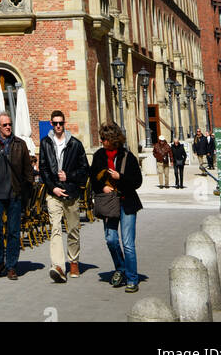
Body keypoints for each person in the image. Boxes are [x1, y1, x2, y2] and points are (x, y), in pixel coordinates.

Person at [0, 111, 34, 281]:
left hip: (14, 195)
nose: (8, 127)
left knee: (13, 231)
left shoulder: (20, 144)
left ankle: (11, 265)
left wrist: (26, 191)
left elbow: (28, 171)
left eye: (10, 124)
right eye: (5, 125)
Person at [90, 122, 143, 292]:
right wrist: (102, 187)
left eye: (105, 138)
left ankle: (132, 279)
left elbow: (137, 181)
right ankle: (120, 268)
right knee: (111, 239)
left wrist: (120, 177)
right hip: (108, 203)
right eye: (101, 138)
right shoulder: (99, 156)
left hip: (127, 202)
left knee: (128, 243)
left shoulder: (128, 156)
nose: (102, 141)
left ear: (113, 139)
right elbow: (92, 179)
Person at [38, 108, 89, 282]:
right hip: (53, 193)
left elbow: (84, 170)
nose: (58, 126)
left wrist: (69, 176)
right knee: (55, 229)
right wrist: (53, 188)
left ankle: (73, 261)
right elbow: (43, 169)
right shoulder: (45, 143)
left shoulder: (75, 144)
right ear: (51, 124)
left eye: (61, 123)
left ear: (64, 124)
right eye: (56, 123)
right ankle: (58, 266)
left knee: (73, 229)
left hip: (71, 193)